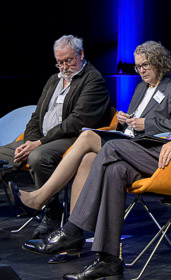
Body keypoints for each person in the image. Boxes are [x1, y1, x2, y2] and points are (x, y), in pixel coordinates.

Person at [25, 31, 171, 280]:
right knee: (114, 170)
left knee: (109, 148)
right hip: (165, 149)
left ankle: (73, 230)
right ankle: (108, 260)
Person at [16, 41, 171, 218]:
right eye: (137, 67)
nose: (141, 71)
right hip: (127, 140)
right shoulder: (141, 87)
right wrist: (124, 120)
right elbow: (133, 120)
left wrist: (147, 124)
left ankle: (39, 198)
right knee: (87, 158)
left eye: (145, 65)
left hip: (145, 147)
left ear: (158, 62)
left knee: (87, 136)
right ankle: (73, 226)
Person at [0, 35, 111, 236]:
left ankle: (50, 210)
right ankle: (32, 205)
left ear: (81, 54)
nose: (64, 67)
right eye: (60, 62)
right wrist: (30, 141)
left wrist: (39, 143)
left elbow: (76, 122)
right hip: (40, 139)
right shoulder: (54, 80)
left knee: (39, 156)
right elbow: (37, 116)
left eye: (69, 60)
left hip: (72, 139)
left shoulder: (93, 80)